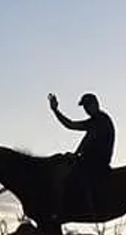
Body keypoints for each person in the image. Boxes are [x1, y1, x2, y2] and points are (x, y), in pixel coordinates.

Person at [47, 92, 115, 221]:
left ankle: (87, 206)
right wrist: (55, 110)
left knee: (72, 175)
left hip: (97, 160)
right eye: (84, 107)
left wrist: (76, 154)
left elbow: (89, 138)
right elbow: (70, 125)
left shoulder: (101, 120)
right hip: (90, 158)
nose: (86, 109)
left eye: (87, 106)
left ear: (95, 104)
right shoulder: (93, 121)